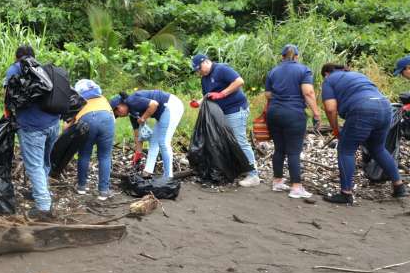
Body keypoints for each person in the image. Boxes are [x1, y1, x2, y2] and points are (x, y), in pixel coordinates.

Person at [320, 63, 407, 204]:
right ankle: (399, 186)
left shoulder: (329, 80)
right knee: (378, 148)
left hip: (363, 109)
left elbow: (330, 109)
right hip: (385, 107)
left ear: (326, 73)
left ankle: (346, 194)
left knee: (346, 150)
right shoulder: (358, 75)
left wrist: (335, 129)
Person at [4, 45, 60, 220]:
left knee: (34, 165)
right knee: (44, 161)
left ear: (17, 57)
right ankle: (41, 192)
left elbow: (8, 95)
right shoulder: (41, 69)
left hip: (32, 127)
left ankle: (43, 206)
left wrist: (8, 115)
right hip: (53, 123)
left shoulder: (15, 68)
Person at [191, 54, 259, 186]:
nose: (198, 72)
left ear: (205, 62)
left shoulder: (221, 69)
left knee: (240, 141)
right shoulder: (204, 78)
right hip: (222, 113)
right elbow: (208, 94)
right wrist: (199, 103)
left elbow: (239, 81)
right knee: (227, 141)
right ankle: (241, 169)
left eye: (199, 69)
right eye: (197, 71)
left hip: (236, 109)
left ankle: (253, 175)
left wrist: (223, 93)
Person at [264, 45, 322, 199]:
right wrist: (316, 113)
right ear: (297, 56)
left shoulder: (273, 71)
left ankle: (277, 181)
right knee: (294, 151)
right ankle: (296, 187)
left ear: (282, 56)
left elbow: (268, 94)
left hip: (274, 113)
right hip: (293, 113)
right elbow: (308, 92)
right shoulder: (303, 70)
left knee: (279, 148)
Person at [109, 89, 184, 181]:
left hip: (171, 105)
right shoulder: (132, 114)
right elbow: (137, 136)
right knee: (154, 142)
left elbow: (154, 104)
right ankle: (147, 172)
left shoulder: (131, 100)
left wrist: (143, 118)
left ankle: (168, 176)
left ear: (119, 106)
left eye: (118, 113)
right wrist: (138, 154)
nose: (120, 116)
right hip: (163, 112)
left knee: (163, 141)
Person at [67, 79, 115, 200]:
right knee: (105, 156)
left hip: (87, 120)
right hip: (107, 119)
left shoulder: (78, 102)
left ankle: (81, 187)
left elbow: (68, 125)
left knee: (84, 154)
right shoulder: (103, 99)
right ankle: (103, 191)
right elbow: (113, 118)